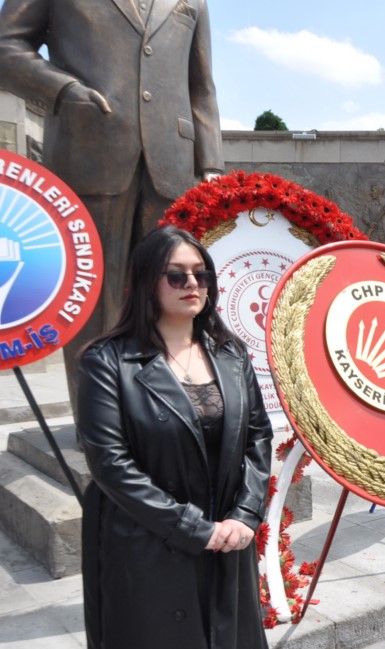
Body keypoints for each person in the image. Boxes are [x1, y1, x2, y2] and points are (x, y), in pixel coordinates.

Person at [0, 0, 224, 404]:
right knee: (94, 295)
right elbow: (7, 46)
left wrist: (211, 165)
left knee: (171, 293)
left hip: (173, 163)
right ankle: (99, 419)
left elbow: (201, 85)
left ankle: (166, 410)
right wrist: (63, 89)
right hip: (89, 149)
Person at [76, 227, 275, 649]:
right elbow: (110, 464)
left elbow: (258, 437)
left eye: (201, 275)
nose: (192, 285)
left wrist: (244, 516)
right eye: (177, 275)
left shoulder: (230, 354)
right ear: (148, 281)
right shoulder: (107, 362)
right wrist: (192, 528)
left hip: (228, 539)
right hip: (148, 544)